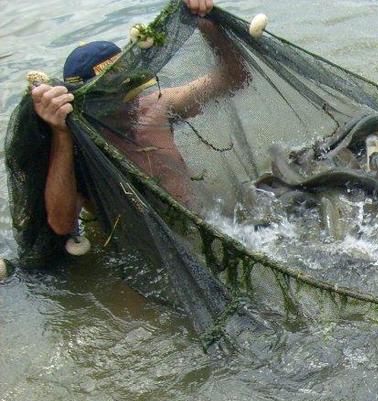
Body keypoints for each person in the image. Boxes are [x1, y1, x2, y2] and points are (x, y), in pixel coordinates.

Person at [29, 0, 245, 236]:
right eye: (112, 98)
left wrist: (207, 25)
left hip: (200, 223)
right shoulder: (82, 149)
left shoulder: (157, 107)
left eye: (129, 88)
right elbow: (62, 224)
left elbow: (235, 77)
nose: (129, 101)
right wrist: (60, 135)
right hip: (146, 244)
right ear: (88, 103)